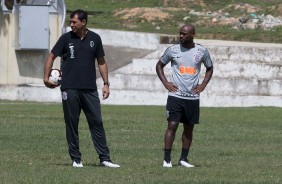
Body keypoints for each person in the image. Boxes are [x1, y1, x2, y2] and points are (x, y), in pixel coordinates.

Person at [43, 9, 120, 168]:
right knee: (72, 124)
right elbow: (51, 56)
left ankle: (105, 159)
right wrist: (45, 78)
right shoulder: (65, 38)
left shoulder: (95, 38)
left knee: (97, 122)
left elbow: (101, 62)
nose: (71, 24)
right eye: (70, 21)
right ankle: (76, 159)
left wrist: (106, 84)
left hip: (90, 89)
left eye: (74, 22)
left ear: (83, 22)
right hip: (69, 88)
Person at [156, 24, 213, 168]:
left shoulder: (201, 51)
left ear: (193, 34)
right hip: (176, 96)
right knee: (172, 125)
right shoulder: (172, 50)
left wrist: (203, 85)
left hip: (192, 98)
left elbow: (209, 68)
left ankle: (183, 159)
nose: (181, 36)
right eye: (180, 33)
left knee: (189, 128)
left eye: (184, 34)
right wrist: (166, 83)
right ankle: (167, 159)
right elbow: (159, 65)